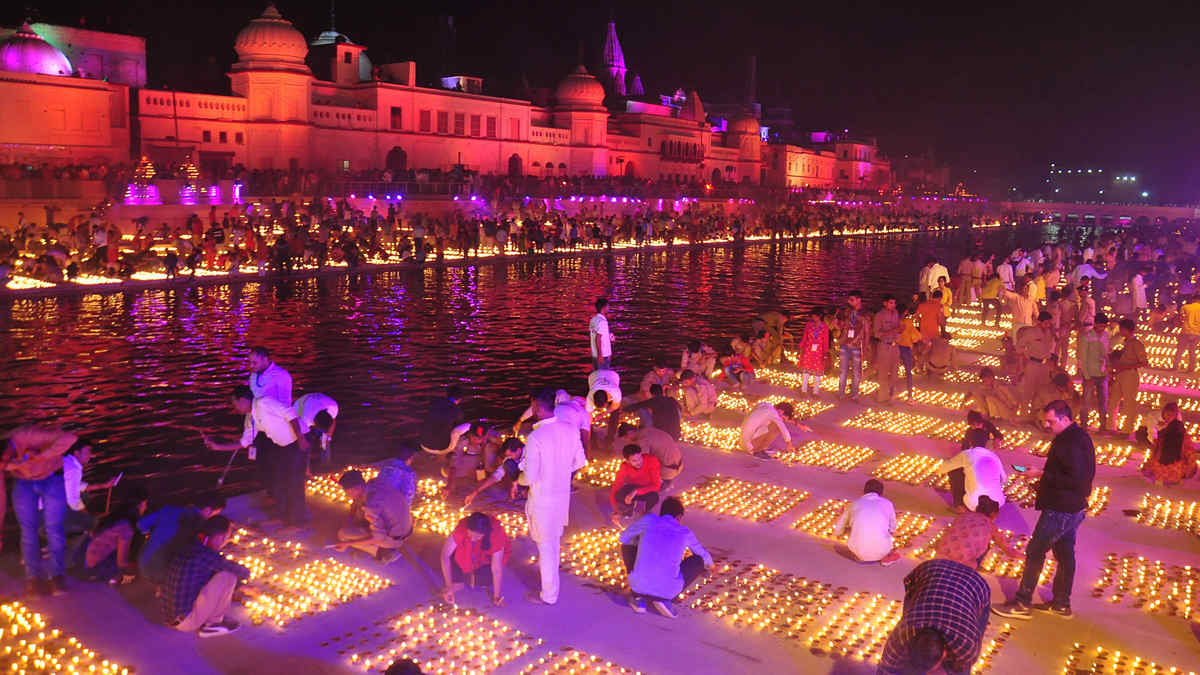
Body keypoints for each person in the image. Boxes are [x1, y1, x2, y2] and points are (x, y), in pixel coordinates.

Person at [993, 400, 1095, 620]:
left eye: (1051, 421)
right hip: (1073, 507)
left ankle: (1022, 603)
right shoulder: (1077, 437)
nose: (1047, 425)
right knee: (1065, 554)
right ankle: (1061, 603)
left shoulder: (1071, 443)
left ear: (1065, 418)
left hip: (1060, 509)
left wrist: (1041, 474)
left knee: (1035, 552)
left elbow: (1077, 479)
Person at [204, 386, 310, 528]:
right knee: (280, 481)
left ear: (242, 400)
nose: (235, 408)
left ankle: (298, 523)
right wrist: (218, 447)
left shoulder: (263, 402)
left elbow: (290, 413)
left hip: (298, 441)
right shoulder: (250, 418)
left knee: (294, 483)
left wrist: (301, 437)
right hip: (284, 446)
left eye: (234, 404)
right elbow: (244, 442)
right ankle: (285, 517)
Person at [521, 389, 588, 605]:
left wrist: (517, 476)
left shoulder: (536, 437)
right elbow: (579, 462)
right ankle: (552, 587)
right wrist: (560, 470)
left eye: (532, 406)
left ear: (539, 408)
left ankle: (549, 595)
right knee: (553, 544)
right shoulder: (570, 429)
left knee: (545, 547)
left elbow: (529, 476)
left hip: (542, 500)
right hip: (561, 498)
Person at [877, 558, 991, 675]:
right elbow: (886, 669)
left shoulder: (966, 646)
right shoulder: (900, 638)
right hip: (930, 570)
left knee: (961, 670)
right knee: (911, 607)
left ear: (944, 654)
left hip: (974, 584)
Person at [2, 425, 77, 596]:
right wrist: (13, 466)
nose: (6, 464)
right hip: (23, 483)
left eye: (5, 460)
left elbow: (70, 438)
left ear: (6, 449)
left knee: (54, 528)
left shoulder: (26, 435)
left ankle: (57, 576)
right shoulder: (6, 460)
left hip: (51, 478)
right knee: (28, 531)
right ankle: (34, 578)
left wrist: (42, 456)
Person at [619, 497, 714, 619]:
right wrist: (712, 566)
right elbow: (702, 554)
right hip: (669, 591)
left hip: (638, 585)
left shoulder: (649, 520)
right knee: (698, 560)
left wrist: (640, 543)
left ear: (662, 512)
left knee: (627, 545)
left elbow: (623, 538)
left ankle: (638, 597)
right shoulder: (685, 532)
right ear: (679, 517)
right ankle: (664, 600)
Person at [163, 515, 256, 637]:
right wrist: (248, 586)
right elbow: (242, 572)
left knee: (216, 575)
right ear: (220, 537)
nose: (227, 541)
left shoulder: (193, 545)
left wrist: (242, 588)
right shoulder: (206, 554)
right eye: (227, 537)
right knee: (228, 577)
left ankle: (205, 619)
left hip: (171, 616)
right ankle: (212, 625)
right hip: (186, 621)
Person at [332, 451, 417, 563]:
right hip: (404, 528)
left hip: (395, 537)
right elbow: (357, 504)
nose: (348, 495)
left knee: (343, 535)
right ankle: (380, 547)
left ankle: (383, 553)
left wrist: (347, 544)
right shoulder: (374, 483)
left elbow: (377, 538)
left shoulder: (372, 505)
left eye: (348, 492)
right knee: (358, 517)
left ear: (354, 489)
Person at [138, 493, 227, 586]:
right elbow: (205, 555)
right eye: (215, 514)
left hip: (143, 562)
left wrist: (156, 534)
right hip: (161, 574)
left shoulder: (168, 509)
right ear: (207, 510)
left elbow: (141, 525)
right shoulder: (200, 527)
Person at [440, 512, 511, 607]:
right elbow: (445, 556)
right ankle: (461, 581)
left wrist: (496, 596)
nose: (473, 539)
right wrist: (449, 586)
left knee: (487, 580)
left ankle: (467, 579)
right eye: (470, 535)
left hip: (483, 560)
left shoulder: (496, 535)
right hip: (464, 555)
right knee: (453, 564)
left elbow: (496, 569)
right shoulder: (461, 529)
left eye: (477, 536)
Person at [82, 486, 149, 584]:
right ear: (138, 505)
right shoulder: (126, 527)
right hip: (97, 569)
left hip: (87, 565)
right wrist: (140, 567)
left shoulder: (112, 518)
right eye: (145, 504)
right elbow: (121, 563)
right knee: (138, 573)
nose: (146, 507)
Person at [933, 496, 1021, 569]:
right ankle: (972, 571)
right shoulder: (990, 526)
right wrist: (1027, 558)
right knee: (987, 546)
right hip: (962, 566)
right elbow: (1008, 551)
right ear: (993, 514)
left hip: (939, 558)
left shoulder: (963, 516)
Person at [834, 479, 901, 565]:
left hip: (857, 551)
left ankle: (861, 554)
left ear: (864, 491)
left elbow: (840, 526)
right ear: (881, 493)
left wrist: (839, 534)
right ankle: (885, 556)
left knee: (852, 527)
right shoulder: (888, 503)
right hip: (883, 551)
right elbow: (893, 528)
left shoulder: (854, 504)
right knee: (886, 535)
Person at [1108, 318, 1148, 441]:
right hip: (1120, 374)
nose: (1120, 331)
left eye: (1121, 329)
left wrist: (1125, 366)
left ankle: (1126, 430)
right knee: (1113, 401)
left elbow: (1144, 362)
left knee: (1129, 404)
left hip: (1130, 375)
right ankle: (1111, 427)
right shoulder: (1125, 342)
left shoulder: (1136, 344)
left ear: (1127, 330)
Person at [936, 445, 1006, 512]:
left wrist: (938, 470)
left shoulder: (968, 454)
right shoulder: (994, 456)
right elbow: (1004, 478)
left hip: (974, 504)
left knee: (954, 470)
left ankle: (960, 506)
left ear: (970, 444)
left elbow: (944, 467)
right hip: (997, 503)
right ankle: (989, 511)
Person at [1142, 402, 1198, 485]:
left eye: (1171, 415)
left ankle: (1175, 479)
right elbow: (1155, 434)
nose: (1168, 417)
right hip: (1164, 449)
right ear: (1163, 414)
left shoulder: (1177, 425)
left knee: (1172, 466)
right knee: (1161, 465)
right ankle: (1162, 479)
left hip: (1174, 450)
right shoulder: (1160, 420)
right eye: (1167, 414)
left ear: (1175, 416)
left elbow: (1178, 438)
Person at [1015, 311, 1058, 420]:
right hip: (1033, 365)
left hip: (1045, 366)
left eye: (1049, 323)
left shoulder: (1049, 333)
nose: (1048, 325)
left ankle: (1037, 416)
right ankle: (1024, 416)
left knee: (1042, 392)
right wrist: (1025, 356)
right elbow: (1019, 346)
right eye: (1046, 323)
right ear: (1039, 322)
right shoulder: (1030, 332)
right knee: (1028, 391)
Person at [613, 423, 683, 489]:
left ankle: (663, 483)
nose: (628, 441)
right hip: (679, 465)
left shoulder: (642, 440)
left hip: (668, 471)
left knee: (640, 473)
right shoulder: (648, 430)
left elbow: (642, 463)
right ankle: (666, 480)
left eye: (626, 438)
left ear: (629, 433)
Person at [610, 444, 662, 525]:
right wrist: (616, 510)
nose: (639, 462)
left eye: (639, 458)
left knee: (654, 497)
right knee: (619, 495)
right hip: (633, 487)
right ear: (627, 461)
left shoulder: (651, 460)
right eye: (634, 461)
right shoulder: (625, 466)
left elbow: (656, 486)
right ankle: (629, 508)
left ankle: (646, 511)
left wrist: (636, 491)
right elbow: (615, 487)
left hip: (648, 488)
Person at [464, 438, 526, 506]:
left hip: (536, 483)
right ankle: (520, 492)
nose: (510, 457)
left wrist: (524, 488)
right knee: (508, 464)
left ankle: (525, 493)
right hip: (523, 481)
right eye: (508, 456)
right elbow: (496, 476)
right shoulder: (509, 460)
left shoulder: (531, 455)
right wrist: (476, 492)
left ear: (519, 450)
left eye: (511, 455)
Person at [1077, 314, 1110, 432]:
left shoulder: (1106, 335)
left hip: (1103, 374)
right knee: (1086, 401)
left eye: (1104, 326)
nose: (1102, 328)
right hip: (1090, 374)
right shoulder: (1086, 337)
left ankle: (1103, 426)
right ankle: (1084, 425)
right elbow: (1082, 358)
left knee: (1104, 401)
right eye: (1100, 325)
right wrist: (1086, 376)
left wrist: (1108, 368)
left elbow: (1107, 353)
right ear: (1095, 324)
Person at [836, 290, 869, 400]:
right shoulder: (846, 312)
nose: (849, 302)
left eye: (852, 300)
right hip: (844, 344)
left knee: (856, 372)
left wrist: (865, 348)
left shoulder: (865, 314)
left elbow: (867, 332)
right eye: (849, 300)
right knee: (843, 371)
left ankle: (855, 394)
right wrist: (838, 323)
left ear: (859, 300)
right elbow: (840, 326)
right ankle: (841, 393)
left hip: (857, 346)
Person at [419, 385, 469, 456]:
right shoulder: (457, 411)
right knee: (467, 426)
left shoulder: (435, 403)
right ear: (460, 399)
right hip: (442, 449)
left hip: (423, 444)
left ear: (447, 395)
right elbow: (457, 427)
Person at [294, 392, 338, 464]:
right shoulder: (305, 418)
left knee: (325, 438)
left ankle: (326, 463)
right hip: (299, 409)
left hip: (311, 402)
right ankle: (306, 466)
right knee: (306, 442)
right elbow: (297, 428)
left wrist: (328, 437)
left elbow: (333, 420)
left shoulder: (333, 406)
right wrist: (301, 439)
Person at [874, 294, 902, 403]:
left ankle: (891, 395)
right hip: (884, 346)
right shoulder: (879, 316)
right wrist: (892, 331)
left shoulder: (896, 313)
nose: (893, 305)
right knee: (883, 372)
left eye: (894, 303)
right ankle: (882, 396)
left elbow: (897, 328)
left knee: (895, 372)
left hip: (895, 346)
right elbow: (876, 334)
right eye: (891, 303)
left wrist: (900, 331)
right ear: (885, 303)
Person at [797, 307, 830, 395]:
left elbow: (826, 341)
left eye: (814, 317)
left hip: (819, 352)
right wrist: (800, 348)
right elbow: (804, 337)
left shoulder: (825, 327)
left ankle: (815, 391)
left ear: (819, 316)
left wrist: (825, 353)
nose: (813, 318)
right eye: (812, 317)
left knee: (817, 372)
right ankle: (803, 390)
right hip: (808, 350)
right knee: (806, 371)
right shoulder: (809, 325)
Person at [1174, 294, 1200, 372]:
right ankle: (1191, 369)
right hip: (1197, 333)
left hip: (1185, 331)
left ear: (1193, 299)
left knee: (1180, 350)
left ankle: (1175, 367)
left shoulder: (1185, 307)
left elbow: (1180, 318)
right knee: (1192, 351)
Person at [590, 297, 614, 369]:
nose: (609, 307)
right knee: (603, 377)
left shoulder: (593, 320)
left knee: (597, 377)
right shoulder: (602, 322)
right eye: (607, 306)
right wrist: (600, 355)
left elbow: (595, 335)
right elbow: (598, 338)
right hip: (603, 356)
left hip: (595, 354)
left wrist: (608, 337)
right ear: (603, 308)